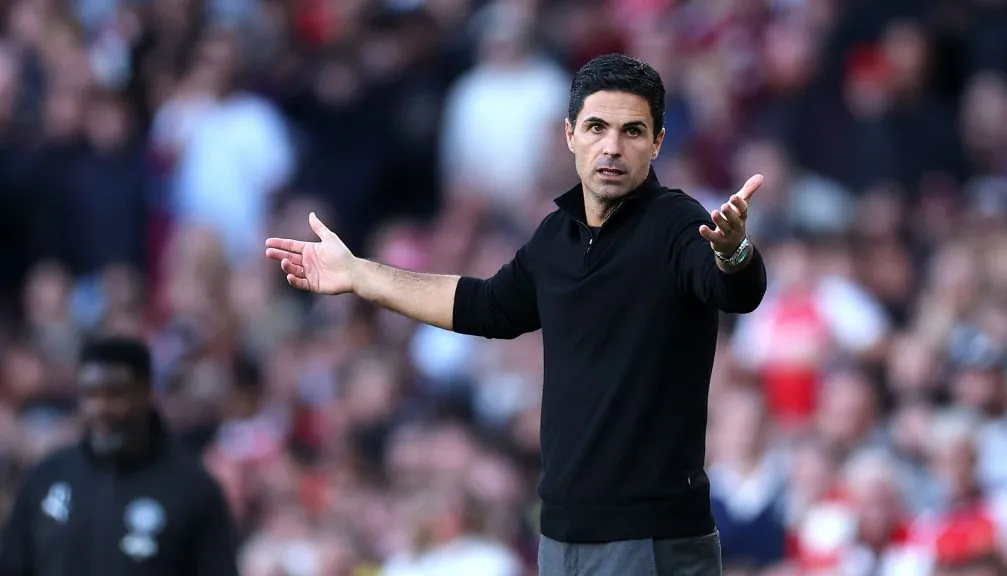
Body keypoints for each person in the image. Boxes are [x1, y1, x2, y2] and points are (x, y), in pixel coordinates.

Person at [266, 53, 768, 575]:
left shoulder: (677, 223)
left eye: (632, 131)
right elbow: (484, 306)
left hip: (651, 536)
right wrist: (360, 275)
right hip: (562, 533)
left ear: (657, 141)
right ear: (571, 134)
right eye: (597, 127)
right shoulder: (557, 236)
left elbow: (736, 290)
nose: (612, 147)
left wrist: (732, 251)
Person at [0, 336, 240, 576]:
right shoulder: (45, 478)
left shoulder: (193, 489)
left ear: (146, 393)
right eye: (90, 393)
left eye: (115, 393)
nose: (101, 408)